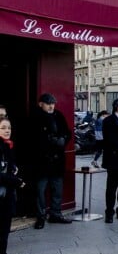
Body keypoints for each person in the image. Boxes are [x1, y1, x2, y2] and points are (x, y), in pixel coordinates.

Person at [30, 93, 72, 229]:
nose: (51, 106)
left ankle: (56, 214)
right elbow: (29, 139)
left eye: (53, 103)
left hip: (57, 160)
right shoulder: (34, 117)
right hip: (41, 161)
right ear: (40, 103)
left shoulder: (58, 115)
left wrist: (63, 140)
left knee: (57, 189)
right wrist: (47, 141)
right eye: (48, 103)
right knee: (40, 191)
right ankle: (40, 216)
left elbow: (68, 132)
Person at [0, 117, 26, 254]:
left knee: (3, 233)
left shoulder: (7, 146)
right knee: (1, 233)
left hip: (6, 195)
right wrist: (17, 181)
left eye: (8, 128)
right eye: (3, 128)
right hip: (1, 196)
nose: (7, 130)